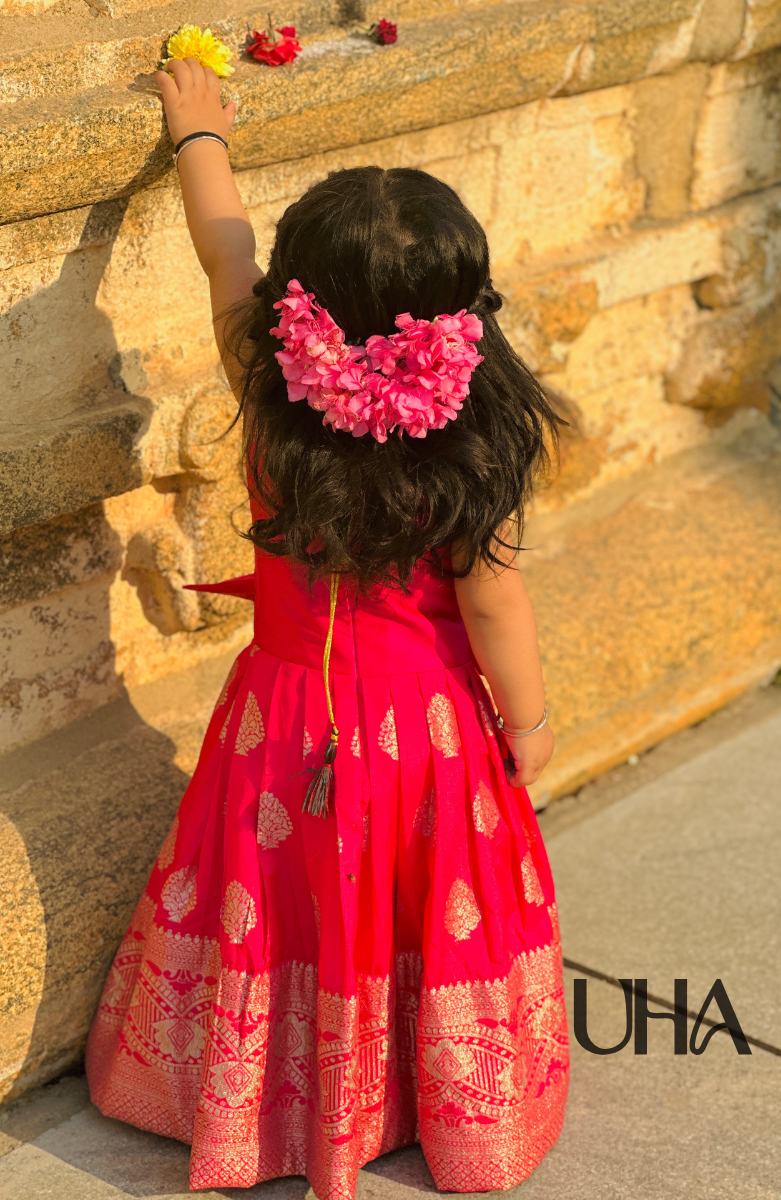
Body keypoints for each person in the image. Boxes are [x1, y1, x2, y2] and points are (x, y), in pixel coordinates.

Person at [86, 57, 569, 1199]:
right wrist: (531, 724)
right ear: (463, 309)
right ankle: (416, 1099)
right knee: (409, 900)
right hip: (428, 729)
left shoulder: (265, 382)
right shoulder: (476, 437)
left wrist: (198, 131)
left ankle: (267, 1101)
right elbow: (494, 600)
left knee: (288, 894)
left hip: (285, 713)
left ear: (298, 304)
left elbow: (224, 250)